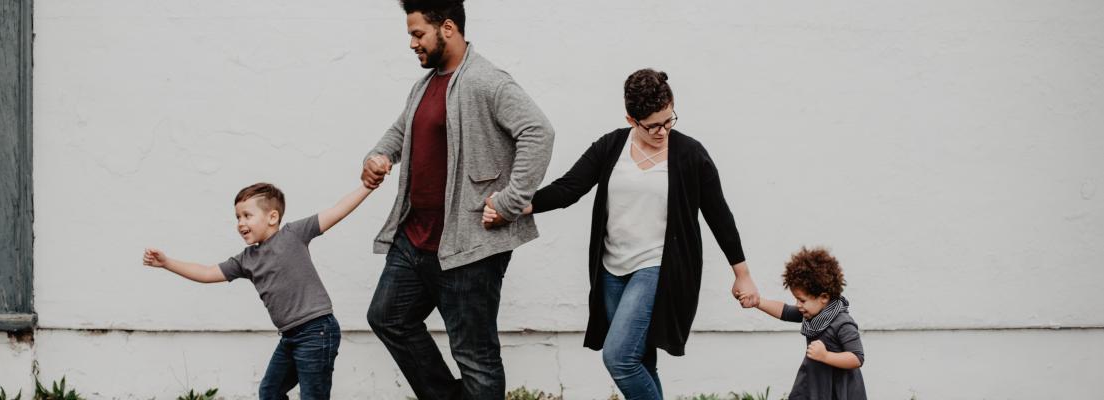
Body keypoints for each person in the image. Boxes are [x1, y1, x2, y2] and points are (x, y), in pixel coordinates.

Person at [484, 69, 760, 400]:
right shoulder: (611, 147)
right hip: (612, 271)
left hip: (657, 268)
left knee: (619, 358)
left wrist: (741, 274)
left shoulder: (690, 154)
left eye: (669, 120)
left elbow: (719, 215)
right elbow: (569, 189)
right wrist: (514, 206)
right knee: (640, 360)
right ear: (631, 118)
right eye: (653, 125)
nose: (663, 131)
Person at [361, 0, 556, 398]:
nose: (413, 43)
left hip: (469, 246)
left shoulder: (486, 81)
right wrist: (378, 156)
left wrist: (509, 202)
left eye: (418, 34)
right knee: (387, 317)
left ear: (447, 28)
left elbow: (539, 132)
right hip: (415, 239)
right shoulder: (424, 85)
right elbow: (401, 132)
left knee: (475, 357)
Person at [142, 182, 373, 399]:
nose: (241, 223)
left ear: (272, 217)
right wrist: (167, 263)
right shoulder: (247, 260)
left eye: (247, 216)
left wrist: (367, 186)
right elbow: (207, 273)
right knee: (270, 391)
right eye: (237, 217)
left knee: (312, 395)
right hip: (290, 336)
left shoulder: (293, 234)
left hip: (317, 330)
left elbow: (337, 211)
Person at [754, 247, 867, 400]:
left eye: (802, 300)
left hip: (838, 390)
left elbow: (857, 358)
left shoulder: (843, 323)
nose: (798, 305)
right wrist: (757, 302)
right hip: (814, 382)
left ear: (824, 297)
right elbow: (785, 311)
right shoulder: (812, 314)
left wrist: (826, 356)